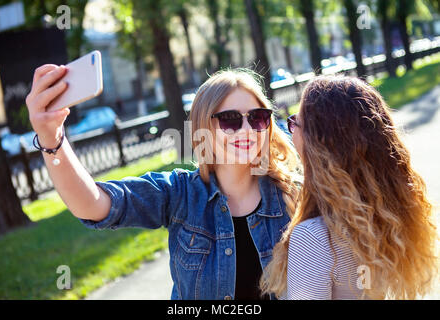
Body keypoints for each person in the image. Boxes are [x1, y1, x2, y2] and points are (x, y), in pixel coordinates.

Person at [25, 65, 301, 300]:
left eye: (257, 117)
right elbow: (92, 205)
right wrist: (52, 140)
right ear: (203, 128)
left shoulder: (295, 194)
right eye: (230, 120)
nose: (246, 129)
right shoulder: (180, 194)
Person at [260, 75, 438, 300]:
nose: (291, 131)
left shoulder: (313, 237)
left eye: (295, 122)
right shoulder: (391, 221)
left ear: (318, 145)